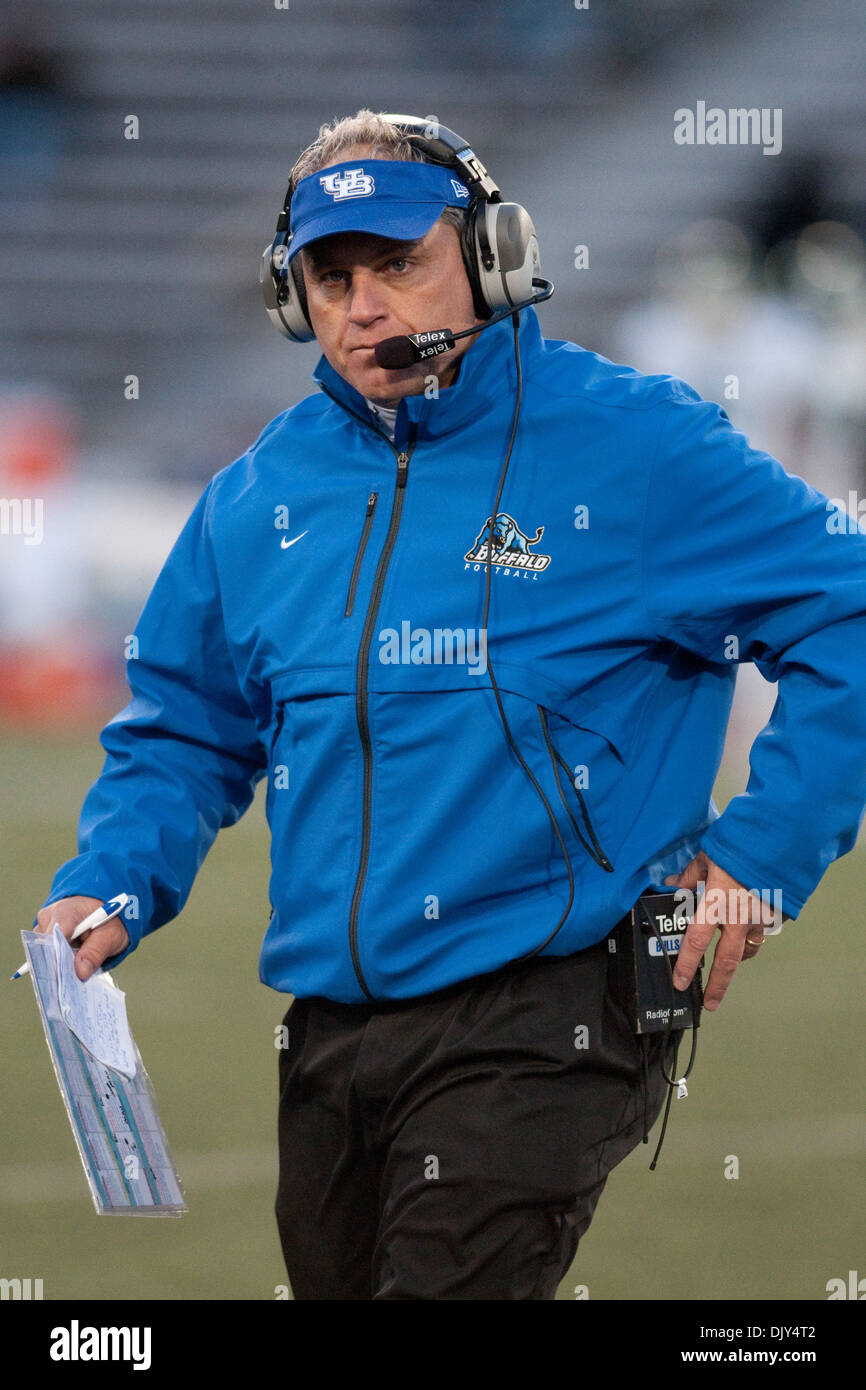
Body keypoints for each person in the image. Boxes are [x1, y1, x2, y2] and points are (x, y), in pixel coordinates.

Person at [34, 111, 866, 1300]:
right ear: (293, 299)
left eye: (396, 263)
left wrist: (761, 854)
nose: (363, 304)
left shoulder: (636, 446)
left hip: (550, 1006)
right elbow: (185, 726)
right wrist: (110, 876)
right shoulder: (254, 497)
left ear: (490, 255)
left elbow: (847, 607)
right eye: (331, 276)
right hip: (331, 1019)